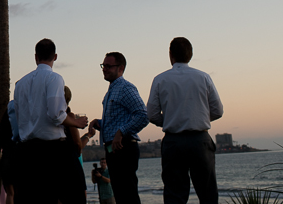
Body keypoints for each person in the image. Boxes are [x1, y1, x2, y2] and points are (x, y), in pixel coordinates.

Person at [147, 37, 224, 204]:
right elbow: (218, 110)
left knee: (175, 194)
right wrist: (199, 117)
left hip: (173, 141)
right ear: (190, 55)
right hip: (200, 139)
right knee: (207, 193)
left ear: (171, 55)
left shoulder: (160, 79)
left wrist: (170, 120)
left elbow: (152, 114)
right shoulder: (203, 77)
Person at [12, 38, 88, 204]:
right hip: (53, 149)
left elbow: (19, 118)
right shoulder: (54, 78)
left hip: (27, 150)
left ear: (35, 57)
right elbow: (55, 114)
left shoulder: (21, 84)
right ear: (55, 56)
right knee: (75, 195)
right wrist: (77, 122)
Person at [88, 52, 149, 204]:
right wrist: (99, 123)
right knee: (121, 196)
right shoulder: (111, 91)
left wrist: (121, 132)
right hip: (113, 151)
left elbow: (143, 115)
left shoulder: (125, 88)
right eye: (103, 66)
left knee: (128, 195)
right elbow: (117, 121)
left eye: (109, 66)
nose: (104, 69)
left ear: (120, 68)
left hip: (124, 148)